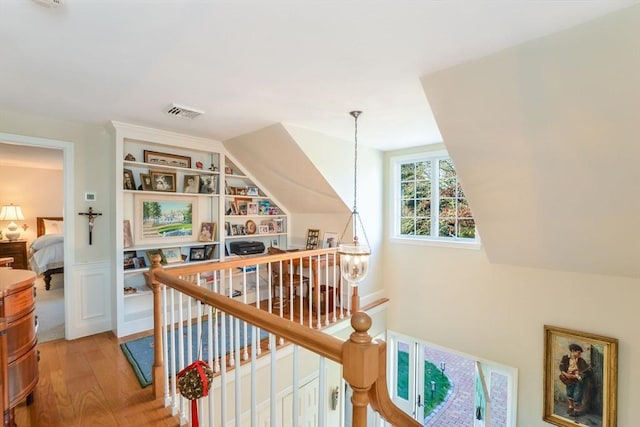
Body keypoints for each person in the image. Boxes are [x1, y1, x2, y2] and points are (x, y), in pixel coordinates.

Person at [559, 343, 591, 416]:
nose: (580, 355)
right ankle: (571, 407)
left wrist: (576, 376)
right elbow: (561, 367)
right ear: (573, 351)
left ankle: (576, 410)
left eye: (580, 353)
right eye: (578, 353)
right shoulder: (565, 358)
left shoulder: (581, 361)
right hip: (568, 379)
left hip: (577, 379)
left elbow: (586, 371)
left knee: (577, 394)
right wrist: (566, 374)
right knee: (569, 392)